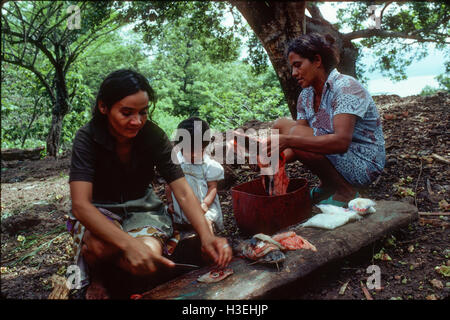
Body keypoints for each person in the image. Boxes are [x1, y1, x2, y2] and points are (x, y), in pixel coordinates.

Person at [67, 69, 232, 299]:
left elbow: (182, 191)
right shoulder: (87, 138)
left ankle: (125, 275)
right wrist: (127, 244)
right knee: (98, 247)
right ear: (104, 107)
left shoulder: (153, 135)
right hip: (99, 208)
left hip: (142, 208)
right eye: (127, 113)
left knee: (147, 257)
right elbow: (81, 205)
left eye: (143, 112)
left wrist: (207, 237)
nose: (137, 121)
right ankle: (98, 279)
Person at [266, 33, 385, 207]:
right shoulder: (306, 96)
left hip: (363, 164)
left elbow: (340, 142)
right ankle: (330, 185)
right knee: (281, 125)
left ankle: (347, 192)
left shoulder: (346, 88)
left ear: (317, 60)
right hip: (339, 158)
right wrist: (271, 156)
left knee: (295, 133)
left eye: (298, 65)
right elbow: (297, 148)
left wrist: (288, 140)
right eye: (292, 68)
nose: (294, 73)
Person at [165, 117, 224, 234]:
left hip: (202, 204)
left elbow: (212, 187)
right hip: (181, 205)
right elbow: (169, 186)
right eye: (189, 151)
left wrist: (206, 204)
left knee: (206, 223)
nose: (195, 155)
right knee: (176, 225)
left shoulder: (208, 165)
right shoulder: (176, 163)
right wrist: (170, 202)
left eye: (199, 150)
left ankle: (209, 243)